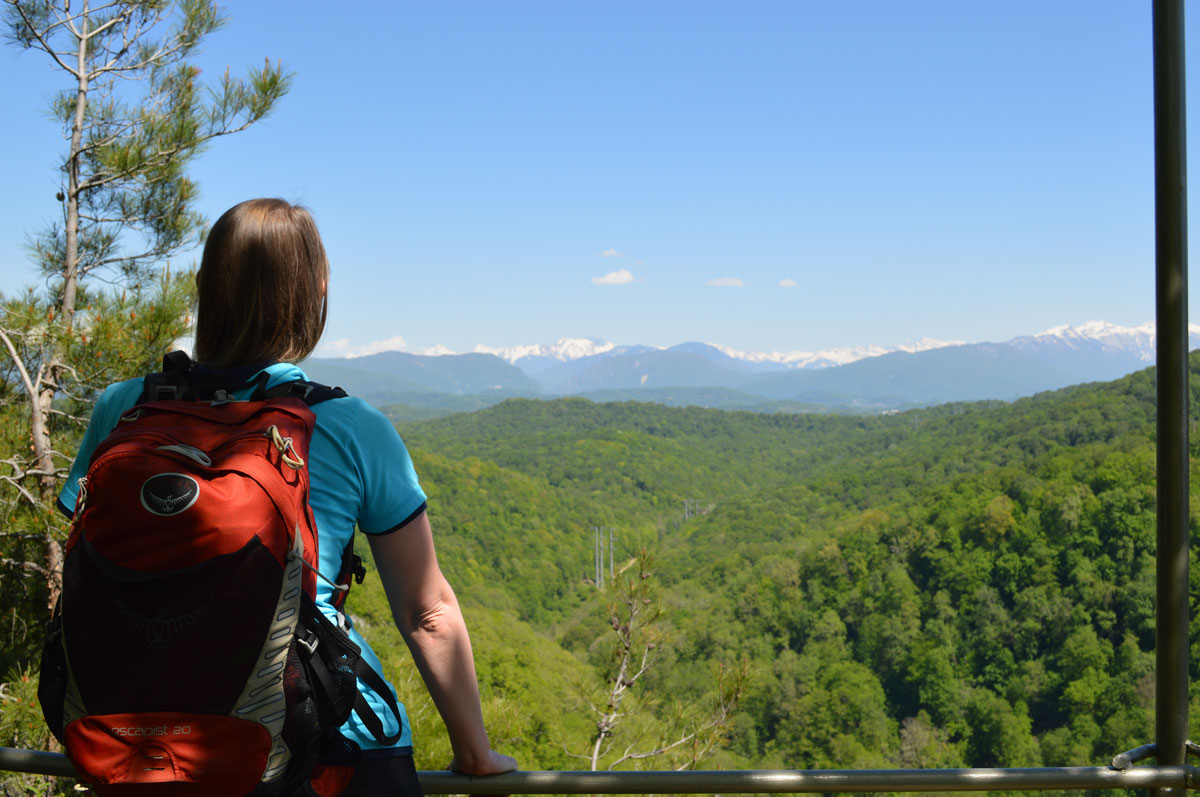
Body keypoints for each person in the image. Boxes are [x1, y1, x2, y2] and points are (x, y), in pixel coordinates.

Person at [56, 197, 517, 796]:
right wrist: (475, 754)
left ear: (204, 286)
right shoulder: (350, 425)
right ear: (315, 291)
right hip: (320, 737)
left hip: (138, 738)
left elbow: (82, 563)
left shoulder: (123, 409)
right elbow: (426, 613)